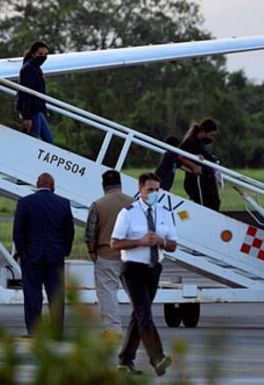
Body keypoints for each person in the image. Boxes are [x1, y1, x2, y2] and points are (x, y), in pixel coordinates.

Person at [111, 173, 176, 376]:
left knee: (138, 315)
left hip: (154, 268)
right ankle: (157, 357)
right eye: (150, 190)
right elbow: (114, 243)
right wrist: (139, 242)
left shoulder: (164, 213)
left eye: (157, 189)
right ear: (140, 190)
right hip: (133, 269)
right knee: (144, 314)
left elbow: (173, 244)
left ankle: (125, 360)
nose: (154, 193)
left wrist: (161, 241)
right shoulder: (128, 213)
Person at [13, 173, 74, 337]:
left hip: (32, 254)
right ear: (52, 186)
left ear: (37, 184)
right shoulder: (63, 203)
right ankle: (56, 331)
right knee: (55, 294)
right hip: (55, 255)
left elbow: (18, 231)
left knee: (32, 292)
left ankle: (34, 330)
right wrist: (64, 251)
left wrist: (21, 251)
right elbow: (69, 232)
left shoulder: (25, 203)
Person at [84, 170, 134, 335]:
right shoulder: (134, 203)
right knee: (137, 295)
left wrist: (92, 252)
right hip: (132, 256)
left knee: (108, 294)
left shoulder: (98, 204)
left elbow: (90, 233)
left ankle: (113, 330)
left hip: (106, 255)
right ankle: (142, 328)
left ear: (103, 185)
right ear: (120, 184)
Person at [179, 119, 221, 211]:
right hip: (197, 182)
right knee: (206, 205)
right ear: (203, 131)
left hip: (207, 181)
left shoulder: (199, 142)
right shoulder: (190, 141)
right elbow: (179, 158)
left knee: (215, 203)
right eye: (211, 135)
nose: (211, 138)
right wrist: (193, 167)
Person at [16, 41, 53, 143]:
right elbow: (26, 94)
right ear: (33, 54)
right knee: (33, 138)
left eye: (46, 55)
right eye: (40, 54)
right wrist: (27, 117)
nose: (43, 57)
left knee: (49, 138)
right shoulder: (29, 69)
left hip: (37, 108)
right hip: (31, 109)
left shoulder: (36, 68)